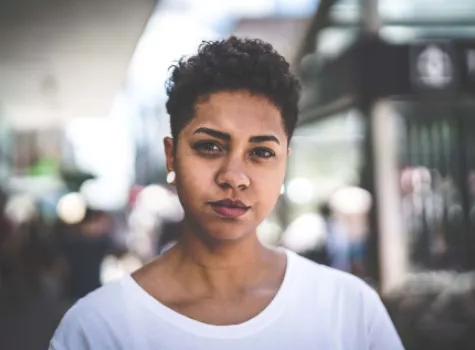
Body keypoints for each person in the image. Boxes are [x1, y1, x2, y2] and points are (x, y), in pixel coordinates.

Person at [49, 36, 403, 350]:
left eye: (261, 152)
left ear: (284, 164)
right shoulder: (98, 329)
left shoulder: (350, 310)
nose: (235, 177)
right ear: (172, 155)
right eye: (209, 146)